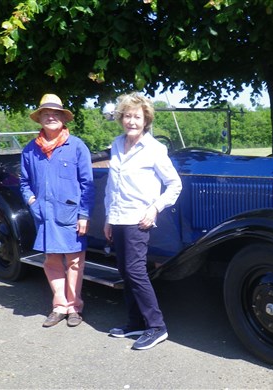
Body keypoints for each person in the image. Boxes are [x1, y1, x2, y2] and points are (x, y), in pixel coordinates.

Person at [104, 92, 182, 350]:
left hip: (138, 218)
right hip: (117, 217)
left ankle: (157, 327)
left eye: (137, 116)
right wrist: (108, 218)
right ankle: (135, 322)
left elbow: (174, 185)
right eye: (127, 116)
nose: (132, 121)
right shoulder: (116, 144)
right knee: (125, 272)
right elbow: (111, 186)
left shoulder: (155, 149)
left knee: (136, 271)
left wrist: (155, 209)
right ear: (121, 118)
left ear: (145, 119)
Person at [20, 94, 95, 328]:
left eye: (55, 113)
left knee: (74, 262)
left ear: (63, 118)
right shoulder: (30, 150)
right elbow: (24, 182)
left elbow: (88, 184)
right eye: (45, 113)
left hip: (71, 216)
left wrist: (84, 214)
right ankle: (59, 306)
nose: (50, 116)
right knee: (51, 261)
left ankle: (74, 307)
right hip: (45, 216)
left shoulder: (77, 147)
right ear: (40, 118)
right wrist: (32, 202)